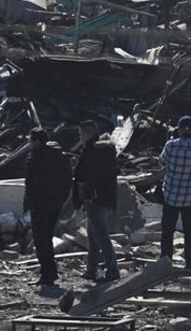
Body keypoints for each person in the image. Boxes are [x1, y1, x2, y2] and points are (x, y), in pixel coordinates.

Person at [160, 116, 191, 269]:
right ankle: (190, 263)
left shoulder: (171, 146)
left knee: (167, 232)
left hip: (171, 196)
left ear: (179, 130)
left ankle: (166, 263)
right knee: (190, 232)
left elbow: (162, 161)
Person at [24, 128, 72, 290]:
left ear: (37, 141)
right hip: (55, 203)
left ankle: (47, 273)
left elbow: (31, 184)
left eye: (30, 140)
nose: (29, 143)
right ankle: (50, 272)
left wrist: (29, 204)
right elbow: (68, 180)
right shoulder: (60, 156)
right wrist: (62, 199)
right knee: (48, 237)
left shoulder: (35, 158)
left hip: (39, 204)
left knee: (41, 240)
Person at [73, 120, 119, 282]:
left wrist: (85, 195)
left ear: (87, 133)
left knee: (100, 235)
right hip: (104, 198)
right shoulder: (105, 150)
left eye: (81, 133)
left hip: (94, 198)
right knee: (93, 235)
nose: (80, 137)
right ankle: (91, 269)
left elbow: (89, 176)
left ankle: (112, 270)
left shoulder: (92, 151)